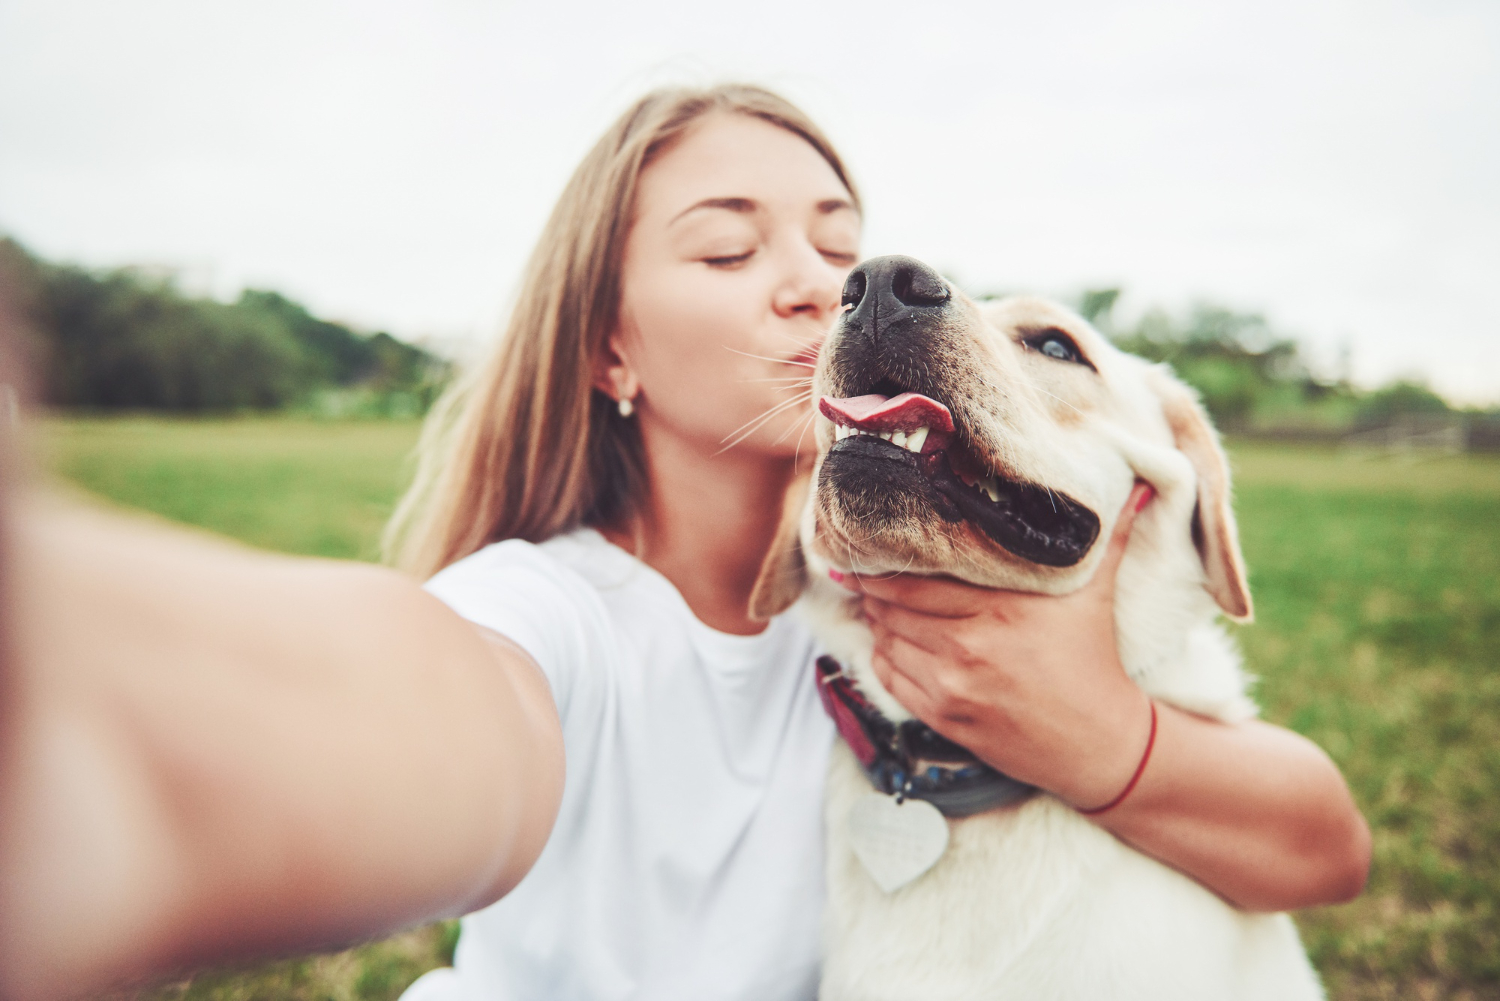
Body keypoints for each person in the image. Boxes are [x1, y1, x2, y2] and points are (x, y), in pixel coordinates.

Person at [386, 85, 1370, 1001]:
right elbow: (407, 705)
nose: (830, 286)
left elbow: (1327, 844)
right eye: (729, 249)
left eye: (841, 246)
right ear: (610, 347)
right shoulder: (555, 612)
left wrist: (1095, 726)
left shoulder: (844, 616)